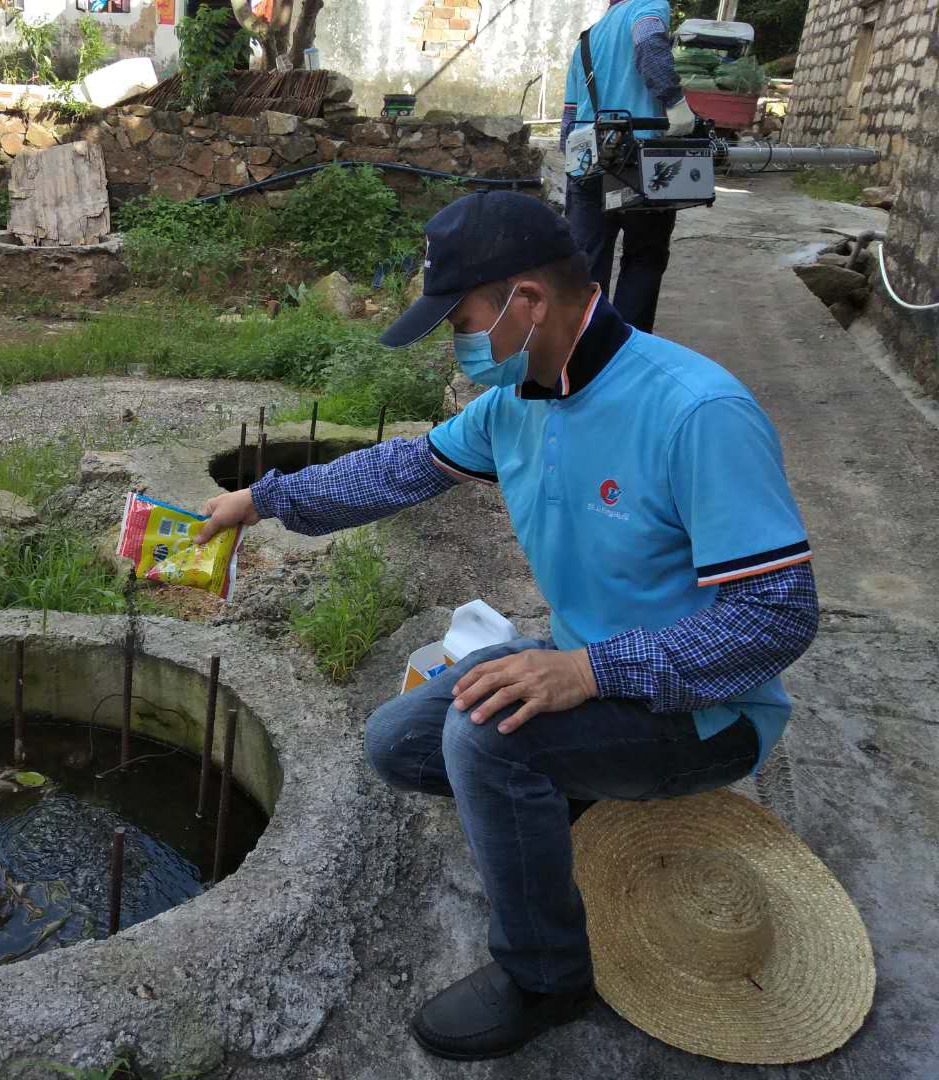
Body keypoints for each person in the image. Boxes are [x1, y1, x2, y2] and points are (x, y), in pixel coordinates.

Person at [193, 191, 818, 1060]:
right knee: (400, 742)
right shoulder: (519, 400)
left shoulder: (694, 412)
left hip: (706, 712)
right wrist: (262, 499)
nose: (458, 339)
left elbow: (775, 617)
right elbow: (403, 469)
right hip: (585, 666)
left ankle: (546, 977)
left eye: (462, 317)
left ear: (527, 302)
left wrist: (589, 674)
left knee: (487, 744)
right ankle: (581, 786)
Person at [561, 1, 695, 333]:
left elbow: (569, 119)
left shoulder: (587, 40)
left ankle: (583, 350)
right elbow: (649, 43)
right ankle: (627, 353)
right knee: (643, 259)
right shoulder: (649, 6)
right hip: (640, 160)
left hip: (588, 162)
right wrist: (674, 102)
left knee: (587, 263)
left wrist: (575, 176)